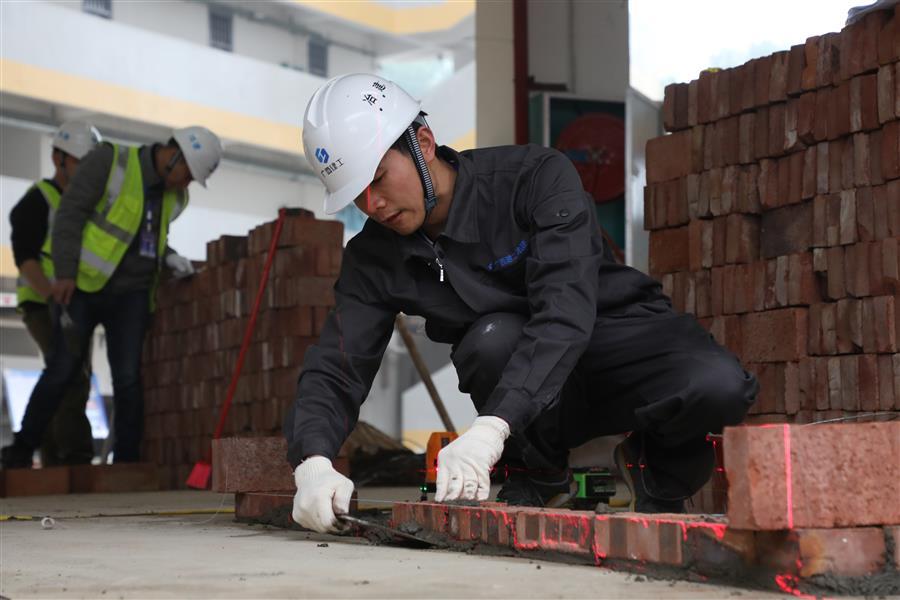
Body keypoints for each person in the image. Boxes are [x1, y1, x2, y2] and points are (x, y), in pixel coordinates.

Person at [286, 74, 758, 534]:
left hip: (612, 336)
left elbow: (565, 312)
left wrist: (491, 428)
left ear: (423, 143)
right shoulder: (374, 256)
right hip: (527, 391)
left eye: (378, 178)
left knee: (719, 385)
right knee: (492, 340)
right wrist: (313, 460)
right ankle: (539, 475)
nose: (374, 204)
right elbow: (338, 366)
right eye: (357, 196)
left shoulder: (533, 178)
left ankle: (652, 469)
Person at [1, 126, 223, 468]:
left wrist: (168, 257)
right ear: (174, 155)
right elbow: (69, 216)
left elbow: (145, 237)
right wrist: (64, 273)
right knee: (63, 368)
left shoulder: (175, 196)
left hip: (132, 295)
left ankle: (127, 463)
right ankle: (20, 450)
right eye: (188, 174)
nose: (187, 184)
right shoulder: (111, 161)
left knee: (128, 377)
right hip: (85, 287)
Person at [8, 121, 101, 466]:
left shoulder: (87, 204)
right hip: (43, 303)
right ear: (57, 158)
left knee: (65, 375)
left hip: (73, 303)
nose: (84, 170)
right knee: (70, 374)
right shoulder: (41, 199)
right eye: (79, 161)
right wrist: (50, 295)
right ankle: (74, 457)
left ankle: (52, 459)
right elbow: (26, 257)